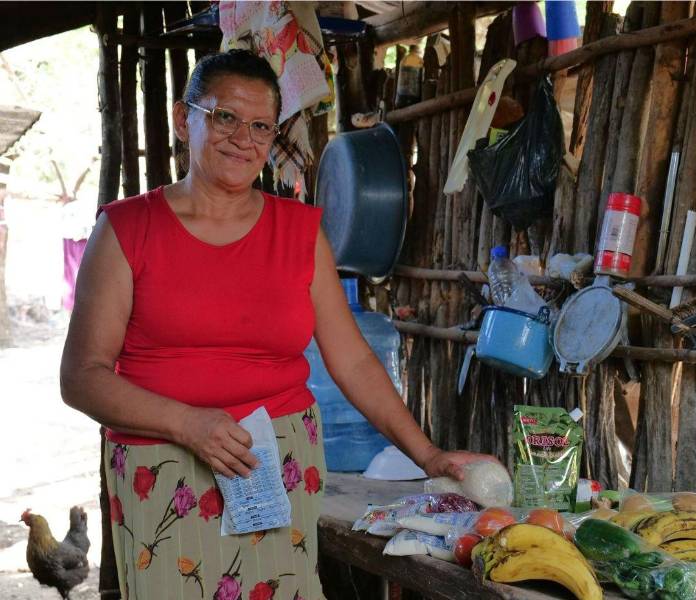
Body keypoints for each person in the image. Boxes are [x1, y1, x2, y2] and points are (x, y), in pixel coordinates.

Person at [61, 49, 497, 600]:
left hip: (278, 462)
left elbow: (354, 360)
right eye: (225, 117)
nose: (244, 138)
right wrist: (187, 423)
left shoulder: (298, 232)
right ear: (182, 118)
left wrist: (428, 455)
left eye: (261, 125)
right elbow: (81, 376)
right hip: (164, 464)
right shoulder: (127, 229)